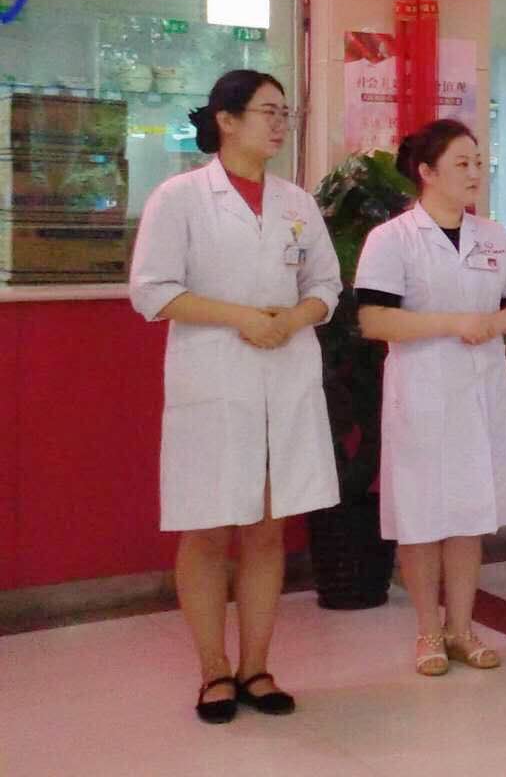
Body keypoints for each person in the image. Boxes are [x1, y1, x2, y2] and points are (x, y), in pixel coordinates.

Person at [129, 70, 340, 724]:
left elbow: (327, 285)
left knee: (267, 528)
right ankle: (213, 671)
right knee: (206, 527)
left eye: (285, 113)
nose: (279, 124)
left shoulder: (297, 202)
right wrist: (242, 317)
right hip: (215, 377)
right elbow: (152, 290)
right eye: (267, 111)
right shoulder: (181, 197)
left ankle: (256, 666)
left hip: (285, 372)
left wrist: (294, 317)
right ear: (226, 119)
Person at [355, 119, 506, 676]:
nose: (474, 172)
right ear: (427, 173)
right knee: (421, 514)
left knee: (469, 512)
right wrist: (453, 323)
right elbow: (374, 319)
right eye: (461, 163)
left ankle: (461, 628)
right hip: (422, 391)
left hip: (481, 389)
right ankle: (427, 632)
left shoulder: (493, 236)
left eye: (478, 162)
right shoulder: (392, 239)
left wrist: (500, 321)